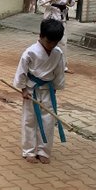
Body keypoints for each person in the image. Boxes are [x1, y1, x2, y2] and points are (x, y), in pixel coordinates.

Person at [13, 18, 66, 164]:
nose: (51, 46)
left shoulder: (58, 53)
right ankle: (29, 151)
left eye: (55, 43)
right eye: (49, 42)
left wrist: (55, 87)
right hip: (32, 90)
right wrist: (23, 89)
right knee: (30, 121)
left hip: (48, 90)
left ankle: (44, 151)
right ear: (41, 36)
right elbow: (22, 71)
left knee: (48, 120)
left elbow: (59, 72)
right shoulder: (30, 52)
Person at [37, 0, 74, 73]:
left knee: (62, 42)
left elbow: (71, 4)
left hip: (61, 17)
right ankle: (43, 63)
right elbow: (41, 2)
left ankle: (63, 65)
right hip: (50, 17)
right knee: (47, 40)